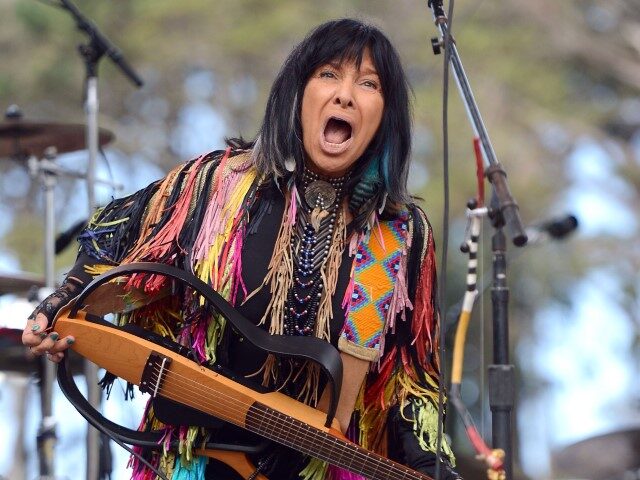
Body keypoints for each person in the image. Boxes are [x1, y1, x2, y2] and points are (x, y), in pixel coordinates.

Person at [22, 18, 462, 480]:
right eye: (329, 74)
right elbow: (120, 243)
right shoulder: (220, 186)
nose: (345, 95)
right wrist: (61, 303)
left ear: (384, 115)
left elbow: (409, 383)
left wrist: (431, 465)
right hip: (196, 461)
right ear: (297, 93)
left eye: (368, 84)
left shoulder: (399, 235)